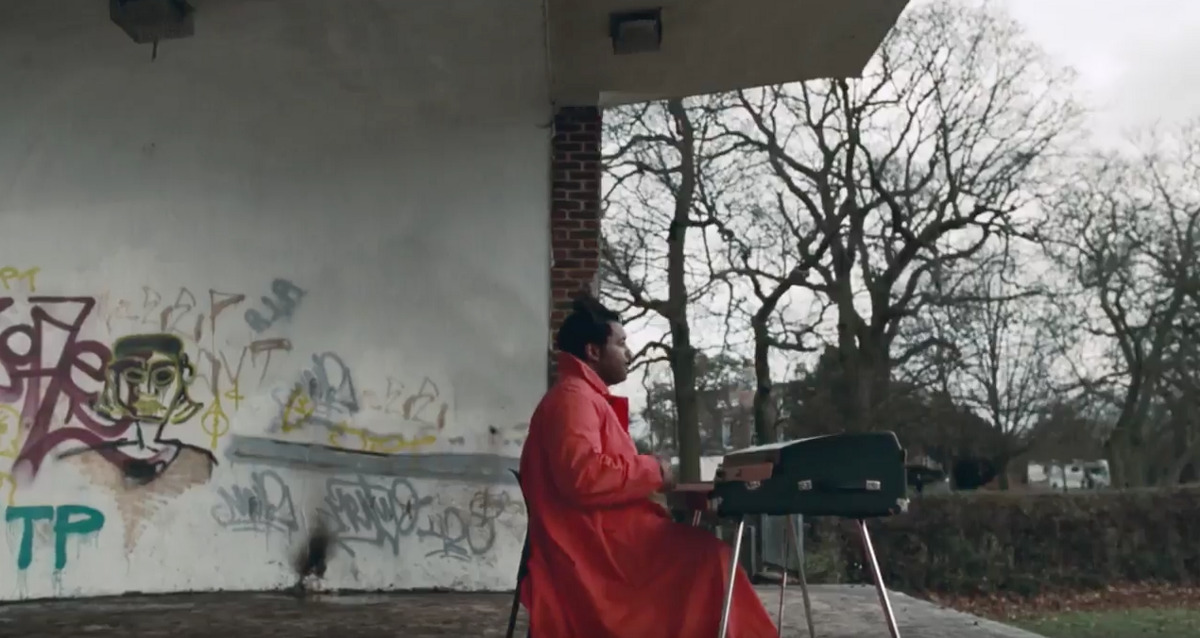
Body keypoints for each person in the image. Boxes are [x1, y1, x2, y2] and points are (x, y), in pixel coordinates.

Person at [517, 295, 779, 637]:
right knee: (712, 559)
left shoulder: (580, 396)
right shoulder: (574, 399)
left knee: (707, 555)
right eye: (621, 344)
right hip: (597, 553)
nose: (629, 353)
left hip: (603, 540)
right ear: (593, 351)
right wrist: (654, 470)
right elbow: (582, 476)